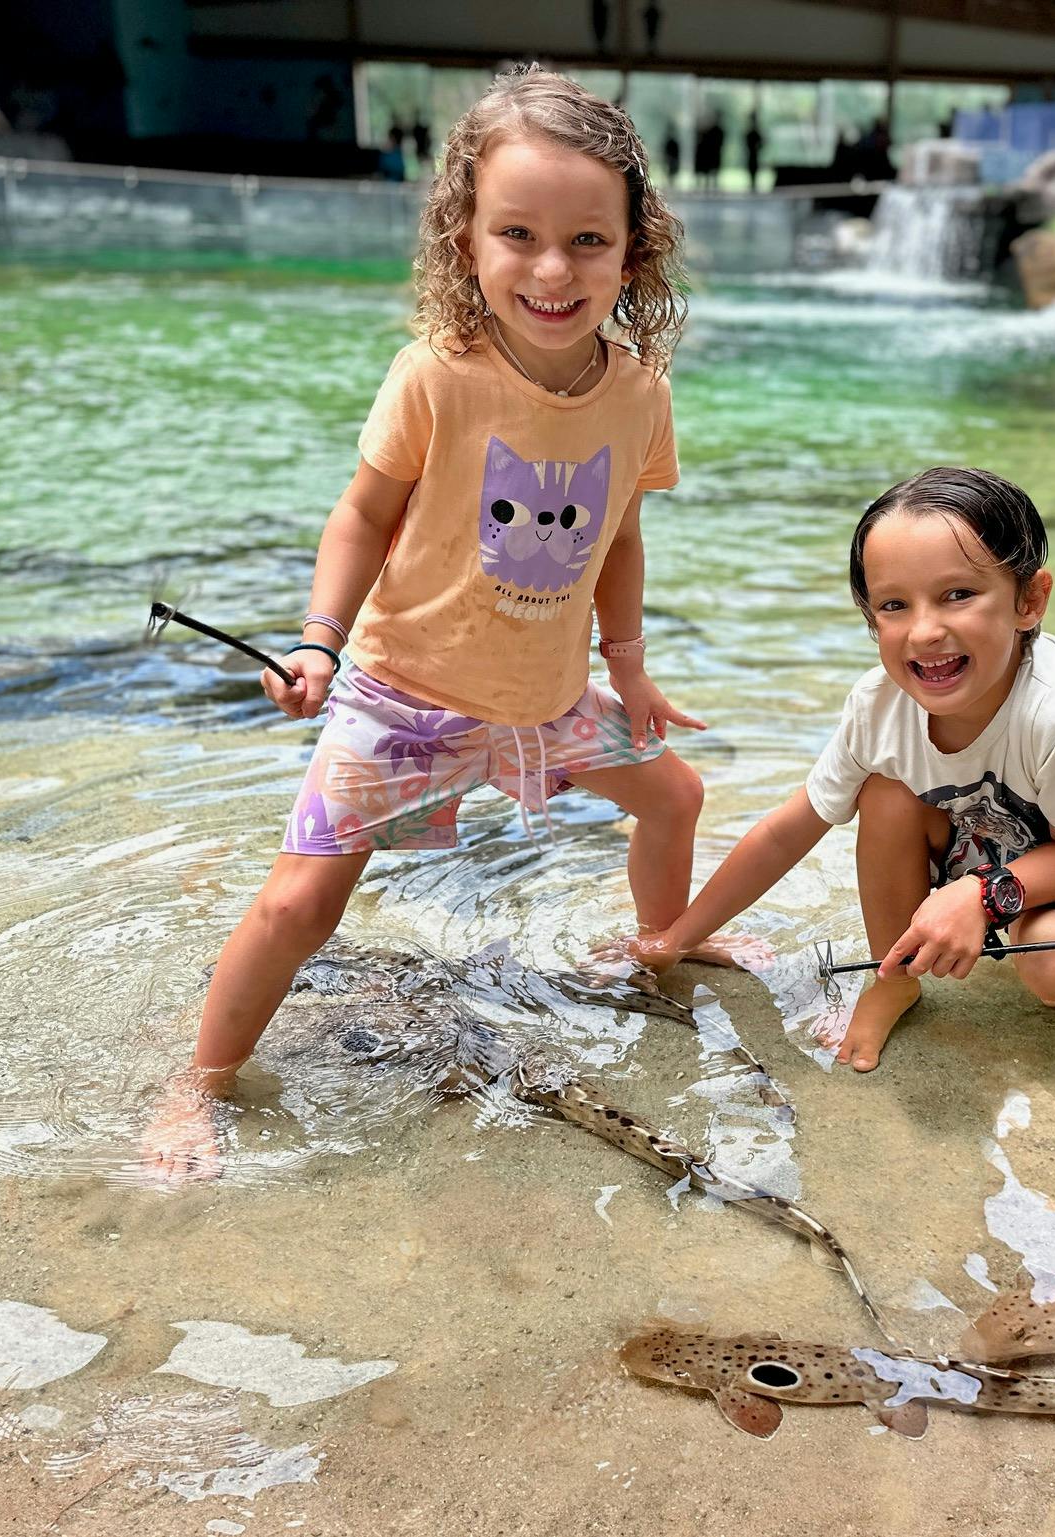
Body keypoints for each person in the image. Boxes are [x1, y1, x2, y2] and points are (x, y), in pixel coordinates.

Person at [141, 67, 738, 1180]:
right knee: (301, 900)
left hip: (547, 703)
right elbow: (361, 514)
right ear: (465, 237)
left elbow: (615, 536)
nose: (553, 270)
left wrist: (632, 670)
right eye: (518, 233)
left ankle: (662, 945)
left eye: (588, 241)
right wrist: (319, 639)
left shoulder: (641, 391)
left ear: (633, 250)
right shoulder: (436, 375)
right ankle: (198, 1087)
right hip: (405, 700)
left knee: (674, 794)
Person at [627, 468, 1055, 1073]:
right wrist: (676, 939)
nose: (925, 631)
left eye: (958, 595)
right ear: (871, 620)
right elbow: (787, 832)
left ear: (1030, 600)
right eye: (894, 605)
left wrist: (979, 896)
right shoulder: (878, 707)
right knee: (885, 791)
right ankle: (893, 981)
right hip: (979, 841)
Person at [743, 112, 764, 189]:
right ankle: (753, 184)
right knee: (752, 170)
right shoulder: (752, 132)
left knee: (753, 170)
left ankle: (753, 184)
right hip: (752, 154)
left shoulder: (752, 132)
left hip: (753, 154)